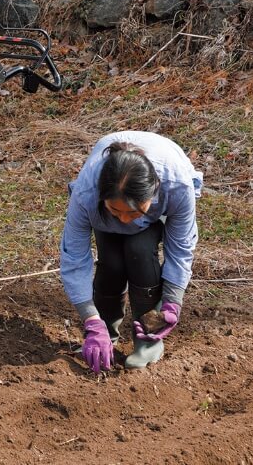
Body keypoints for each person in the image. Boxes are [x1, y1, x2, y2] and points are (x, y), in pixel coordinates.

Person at [60, 131, 202, 373]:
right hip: (104, 214)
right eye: (117, 211)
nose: (124, 221)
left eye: (133, 212)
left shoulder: (175, 186)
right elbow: (74, 256)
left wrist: (172, 303)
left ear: (153, 193)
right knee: (112, 263)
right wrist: (90, 320)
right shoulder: (87, 194)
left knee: (139, 250)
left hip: (154, 213)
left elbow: (180, 247)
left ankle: (148, 340)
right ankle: (103, 332)